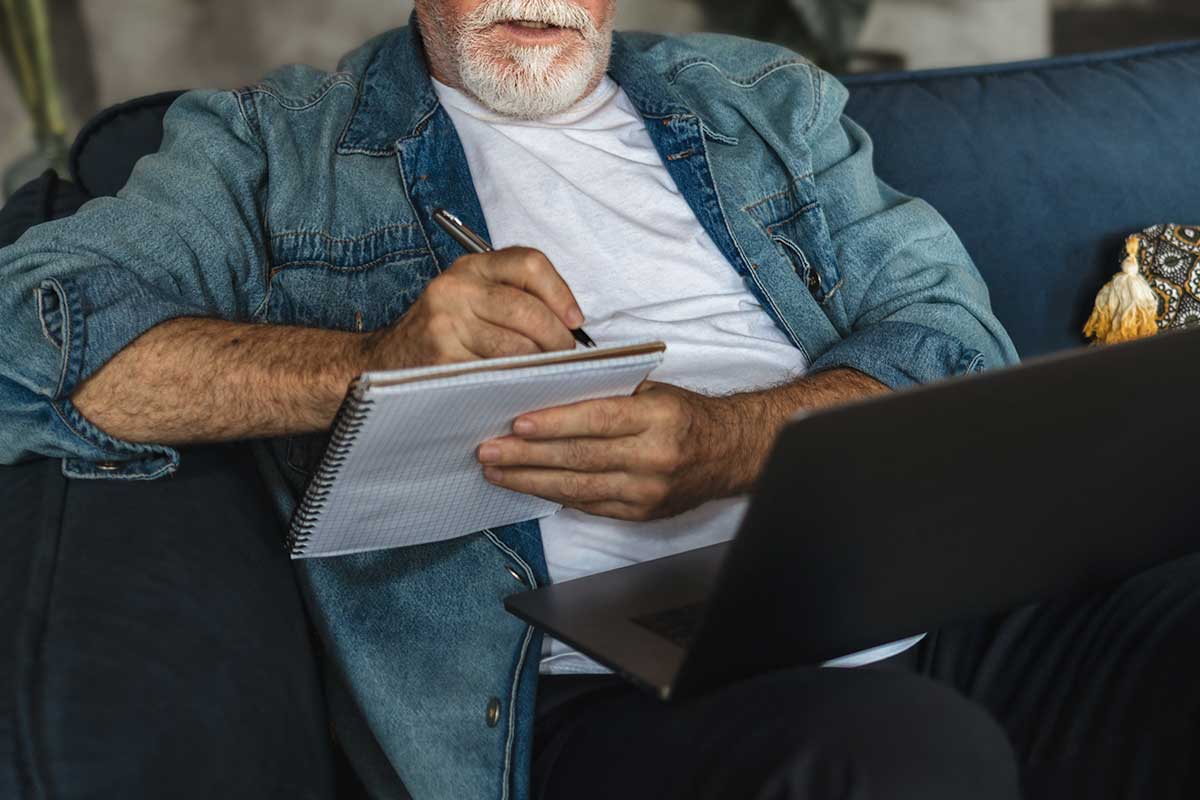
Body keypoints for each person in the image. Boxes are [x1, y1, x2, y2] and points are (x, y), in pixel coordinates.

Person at [0, 2, 1196, 799]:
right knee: (904, 756)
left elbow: (953, 332)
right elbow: (24, 335)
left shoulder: (764, 100)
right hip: (592, 681)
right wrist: (372, 364)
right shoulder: (273, 147)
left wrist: (733, 442)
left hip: (920, 585)